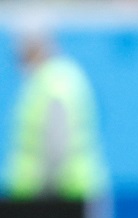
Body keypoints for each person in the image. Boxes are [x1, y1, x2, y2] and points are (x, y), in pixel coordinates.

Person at [3, 29, 109, 200]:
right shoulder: (62, 77)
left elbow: (57, 144)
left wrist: (47, 191)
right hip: (71, 188)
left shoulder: (52, 83)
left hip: (57, 192)